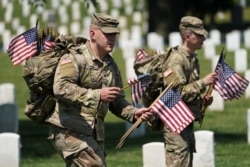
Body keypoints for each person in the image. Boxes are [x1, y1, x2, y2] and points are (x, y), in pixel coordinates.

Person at [46, 13, 154, 167]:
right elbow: (61, 88)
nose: (112, 38)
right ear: (93, 34)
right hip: (69, 130)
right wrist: (97, 95)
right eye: (107, 34)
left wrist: (133, 112)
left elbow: (116, 100)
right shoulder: (75, 58)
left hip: (94, 133)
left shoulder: (111, 65)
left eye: (114, 35)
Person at [160, 16, 217, 167]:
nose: (203, 38)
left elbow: (188, 91)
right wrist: (203, 82)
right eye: (198, 35)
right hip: (175, 123)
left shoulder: (192, 58)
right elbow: (175, 92)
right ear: (187, 36)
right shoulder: (176, 59)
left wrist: (201, 101)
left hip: (186, 121)